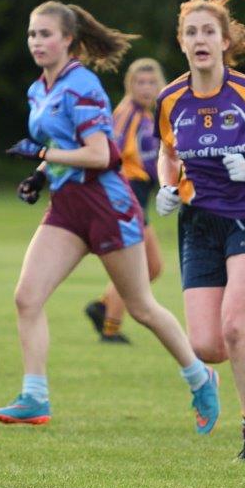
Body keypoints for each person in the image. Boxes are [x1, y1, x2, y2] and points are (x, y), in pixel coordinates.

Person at [0, 1, 219, 434]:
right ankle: (34, 396)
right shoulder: (40, 89)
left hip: (106, 204)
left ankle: (200, 376)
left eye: (45, 34)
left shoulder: (83, 85)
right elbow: (61, 144)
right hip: (68, 205)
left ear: (69, 40)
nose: (37, 42)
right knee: (27, 297)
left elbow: (99, 154)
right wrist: (41, 175)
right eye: (32, 35)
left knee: (141, 307)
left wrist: (41, 154)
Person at [154, 0, 245, 462]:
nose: (200, 39)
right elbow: (167, 151)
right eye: (191, 32)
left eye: (208, 31)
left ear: (223, 42)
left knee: (234, 326)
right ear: (181, 42)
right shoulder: (171, 98)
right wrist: (166, 187)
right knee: (208, 345)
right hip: (198, 223)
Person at [83, 58, 166, 344]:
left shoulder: (148, 116)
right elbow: (110, 152)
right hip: (126, 194)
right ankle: (111, 327)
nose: (146, 88)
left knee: (152, 266)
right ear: (130, 86)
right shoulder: (127, 114)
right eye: (140, 82)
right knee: (141, 265)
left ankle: (103, 306)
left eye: (152, 82)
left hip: (140, 195)